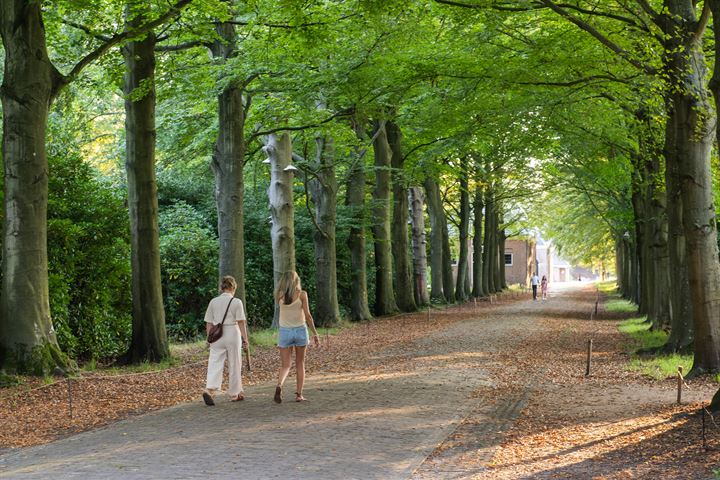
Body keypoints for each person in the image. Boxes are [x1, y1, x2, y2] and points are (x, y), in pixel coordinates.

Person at [274, 271, 320, 403]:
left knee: (285, 365)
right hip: (300, 330)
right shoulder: (302, 295)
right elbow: (308, 316)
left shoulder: (279, 295)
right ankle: (299, 395)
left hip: (285, 332)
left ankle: (279, 385)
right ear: (296, 280)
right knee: (300, 363)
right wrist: (315, 333)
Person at [203, 275, 249, 406]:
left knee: (215, 362)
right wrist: (245, 338)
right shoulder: (236, 302)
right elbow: (241, 322)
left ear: (221, 287)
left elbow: (209, 323)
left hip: (217, 334)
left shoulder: (213, 301)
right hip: (232, 333)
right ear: (233, 287)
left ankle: (210, 389)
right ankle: (234, 393)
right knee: (235, 363)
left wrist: (210, 338)